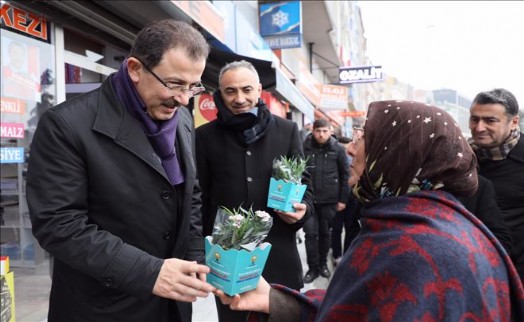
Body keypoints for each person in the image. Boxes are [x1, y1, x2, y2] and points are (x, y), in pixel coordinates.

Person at [215, 100, 524, 321]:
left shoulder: (413, 249)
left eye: (364, 139)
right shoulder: (420, 223)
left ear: (397, 156)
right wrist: (276, 302)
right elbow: (363, 304)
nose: (350, 148)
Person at [25, 20, 215, 322]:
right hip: (100, 307)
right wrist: (149, 272)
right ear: (135, 69)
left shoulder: (182, 121)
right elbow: (58, 225)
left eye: (193, 86)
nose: (183, 99)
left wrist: (194, 260)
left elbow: (190, 193)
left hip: (171, 306)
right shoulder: (65, 125)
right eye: (174, 83)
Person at [195, 60, 313, 322]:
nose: (240, 98)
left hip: (278, 257)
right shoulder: (204, 136)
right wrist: (201, 252)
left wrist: (301, 212)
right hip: (228, 264)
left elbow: (305, 188)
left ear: (259, 90)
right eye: (231, 91)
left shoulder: (287, 130)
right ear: (219, 93)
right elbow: (198, 199)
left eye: (247, 89)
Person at [469, 88, 524, 282]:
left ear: (514, 122)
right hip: (469, 273)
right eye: (474, 119)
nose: (479, 127)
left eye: (490, 121)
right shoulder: (459, 159)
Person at [302, 119, 350, 282]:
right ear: (313, 131)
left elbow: (345, 175)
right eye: (318, 131)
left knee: (325, 234)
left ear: (330, 131)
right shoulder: (304, 147)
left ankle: (323, 264)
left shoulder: (337, 149)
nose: (321, 134)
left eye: (324, 131)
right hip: (308, 200)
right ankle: (312, 268)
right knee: (310, 235)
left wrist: (343, 199)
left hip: (329, 201)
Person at [330, 136, 359, 266]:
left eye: (346, 145)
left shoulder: (357, 158)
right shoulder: (335, 157)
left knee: (350, 229)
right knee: (336, 228)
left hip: (353, 199)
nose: (345, 149)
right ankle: (336, 255)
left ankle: (347, 255)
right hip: (337, 199)